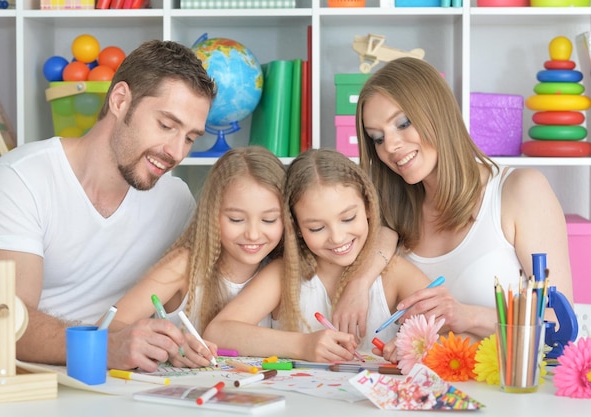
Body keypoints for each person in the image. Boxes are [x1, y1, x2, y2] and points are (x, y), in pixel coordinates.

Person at [0, 40, 217, 367]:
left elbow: (174, 307)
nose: (176, 152)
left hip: (127, 381)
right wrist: (106, 346)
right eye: (166, 125)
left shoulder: (176, 200)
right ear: (120, 100)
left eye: (189, 137)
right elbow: (8, 321)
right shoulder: (21, 178)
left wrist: (175, 342)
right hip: (35, 379)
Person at [356, 57, 574, 348]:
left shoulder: (519, 191)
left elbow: (561, 323)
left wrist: (467, 316)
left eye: (403, 123)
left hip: (510, 388)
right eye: (377, 138)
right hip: (422, 388)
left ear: (438, 112)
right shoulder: (390, 213)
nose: (391, 146)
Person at [204, 149, 431, 362]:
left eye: (348, 218)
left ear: (368, 207)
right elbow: (219, 332)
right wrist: (302, 345)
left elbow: (454, 332)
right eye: (316, 228)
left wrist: (417, 346)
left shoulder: (394, 273)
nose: (337, 237)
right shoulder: (284, 275)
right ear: (297, 228)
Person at [102, 146, 286, 371]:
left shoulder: (279, 271)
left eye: (269, 220)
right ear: (212, 214)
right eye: (236, 219)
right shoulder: (184, 266)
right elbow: (109, 326)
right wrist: (171, 344)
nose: (253, 234)